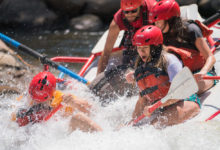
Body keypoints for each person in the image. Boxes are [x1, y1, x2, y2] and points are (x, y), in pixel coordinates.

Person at [126, 25, 201, 127]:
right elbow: (142, 98)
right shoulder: (142, 66)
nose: (141, 52)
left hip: (186, 101)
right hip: (164, 105)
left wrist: (156, 106)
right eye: (139, 48)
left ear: (155, 47)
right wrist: (132, 122)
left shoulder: (170, 60)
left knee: (154, 125)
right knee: (133, 127)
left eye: (144, 48)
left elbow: (180, 92)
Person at [148, 0, 216, 94]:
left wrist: (203, 72)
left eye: (158, 22)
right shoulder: (160, 36)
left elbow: (210, 57)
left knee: (188, 90)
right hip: (183, 77)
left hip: (203, 74)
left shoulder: (191, 29)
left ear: (170, 20)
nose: (156, 26)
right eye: (155, 23)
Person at [11, 71, 102, 132]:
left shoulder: (60, 98)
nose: (35, 103)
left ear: (51, 97)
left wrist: (75, 102)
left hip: (59, 134)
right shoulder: (23, 103)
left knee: (78, 117)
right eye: (33, 99)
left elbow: (94, 111)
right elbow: (11, 127)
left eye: (40, 102)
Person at [97, 0, 156, 74]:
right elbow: (106, 52)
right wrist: (98, 76)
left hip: (152, 32)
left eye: (134, 11)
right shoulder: (117, 20)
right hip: (132, 33)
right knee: (128, 63)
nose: (130, 15)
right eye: (126, 12)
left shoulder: (153, 9)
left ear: (140, 7)